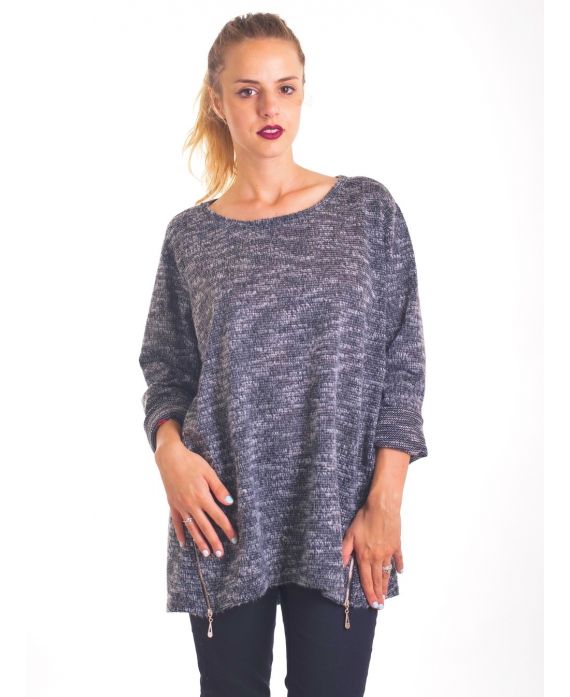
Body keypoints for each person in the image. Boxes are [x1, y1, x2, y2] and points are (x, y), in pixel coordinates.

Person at [138, 11, 428, 697]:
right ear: (218, 101)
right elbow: (166, 369)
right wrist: (169, 456)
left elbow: (403, 361)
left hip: (340, 513)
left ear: (302, 92)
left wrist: (386, 500)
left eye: (285, 88)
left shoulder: (366, 211)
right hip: (221, 513)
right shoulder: (191, 237)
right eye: (248, 91)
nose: (270, 107)